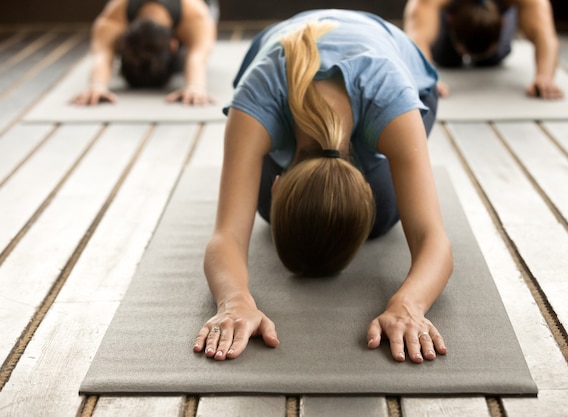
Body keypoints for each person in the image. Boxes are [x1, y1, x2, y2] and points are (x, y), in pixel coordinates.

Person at [192, 9, 453, 364]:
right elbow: (227, 236)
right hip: (284, 46)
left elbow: (432, 238)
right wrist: (233, 300)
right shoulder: (257, 99)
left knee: (379, 217)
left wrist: (409, 305)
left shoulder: (390, 99)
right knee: (297, 216)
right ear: (277, 182)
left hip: (395, 65)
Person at [403, 0, 563, 99]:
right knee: (446, 59)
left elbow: (545, 34)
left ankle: (491, 52)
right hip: (450, 32)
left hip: (495, 22)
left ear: (502, 22)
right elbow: (417, 36)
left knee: (492, 59)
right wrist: (426, 77)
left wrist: (544, 77)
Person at [72, 0, 219, 106]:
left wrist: (196, 86)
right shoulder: (112, 16)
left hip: (195, 12)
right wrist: (97, 85)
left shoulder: (196, 14)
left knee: (180, 64)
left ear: (174, 44)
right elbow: (102, 55)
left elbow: (197, 57)